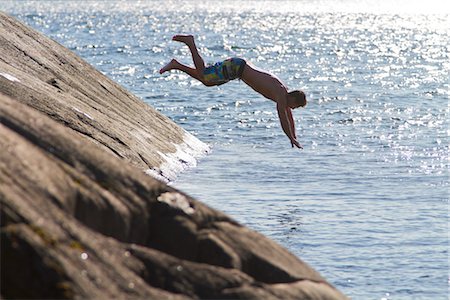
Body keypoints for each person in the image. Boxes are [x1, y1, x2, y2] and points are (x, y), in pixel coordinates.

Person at [159, 35, 307, 149]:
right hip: (237, 67)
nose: (294, 108)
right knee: (204, 74)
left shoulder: (283, 93)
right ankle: (190, 43)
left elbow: (289, 116)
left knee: (207, 81)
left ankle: (176, 65)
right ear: (293, 97)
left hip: (238, 69)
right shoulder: (281, 94)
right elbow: (283, 117)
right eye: (296, 105)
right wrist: (290, 138)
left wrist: (294, 136)